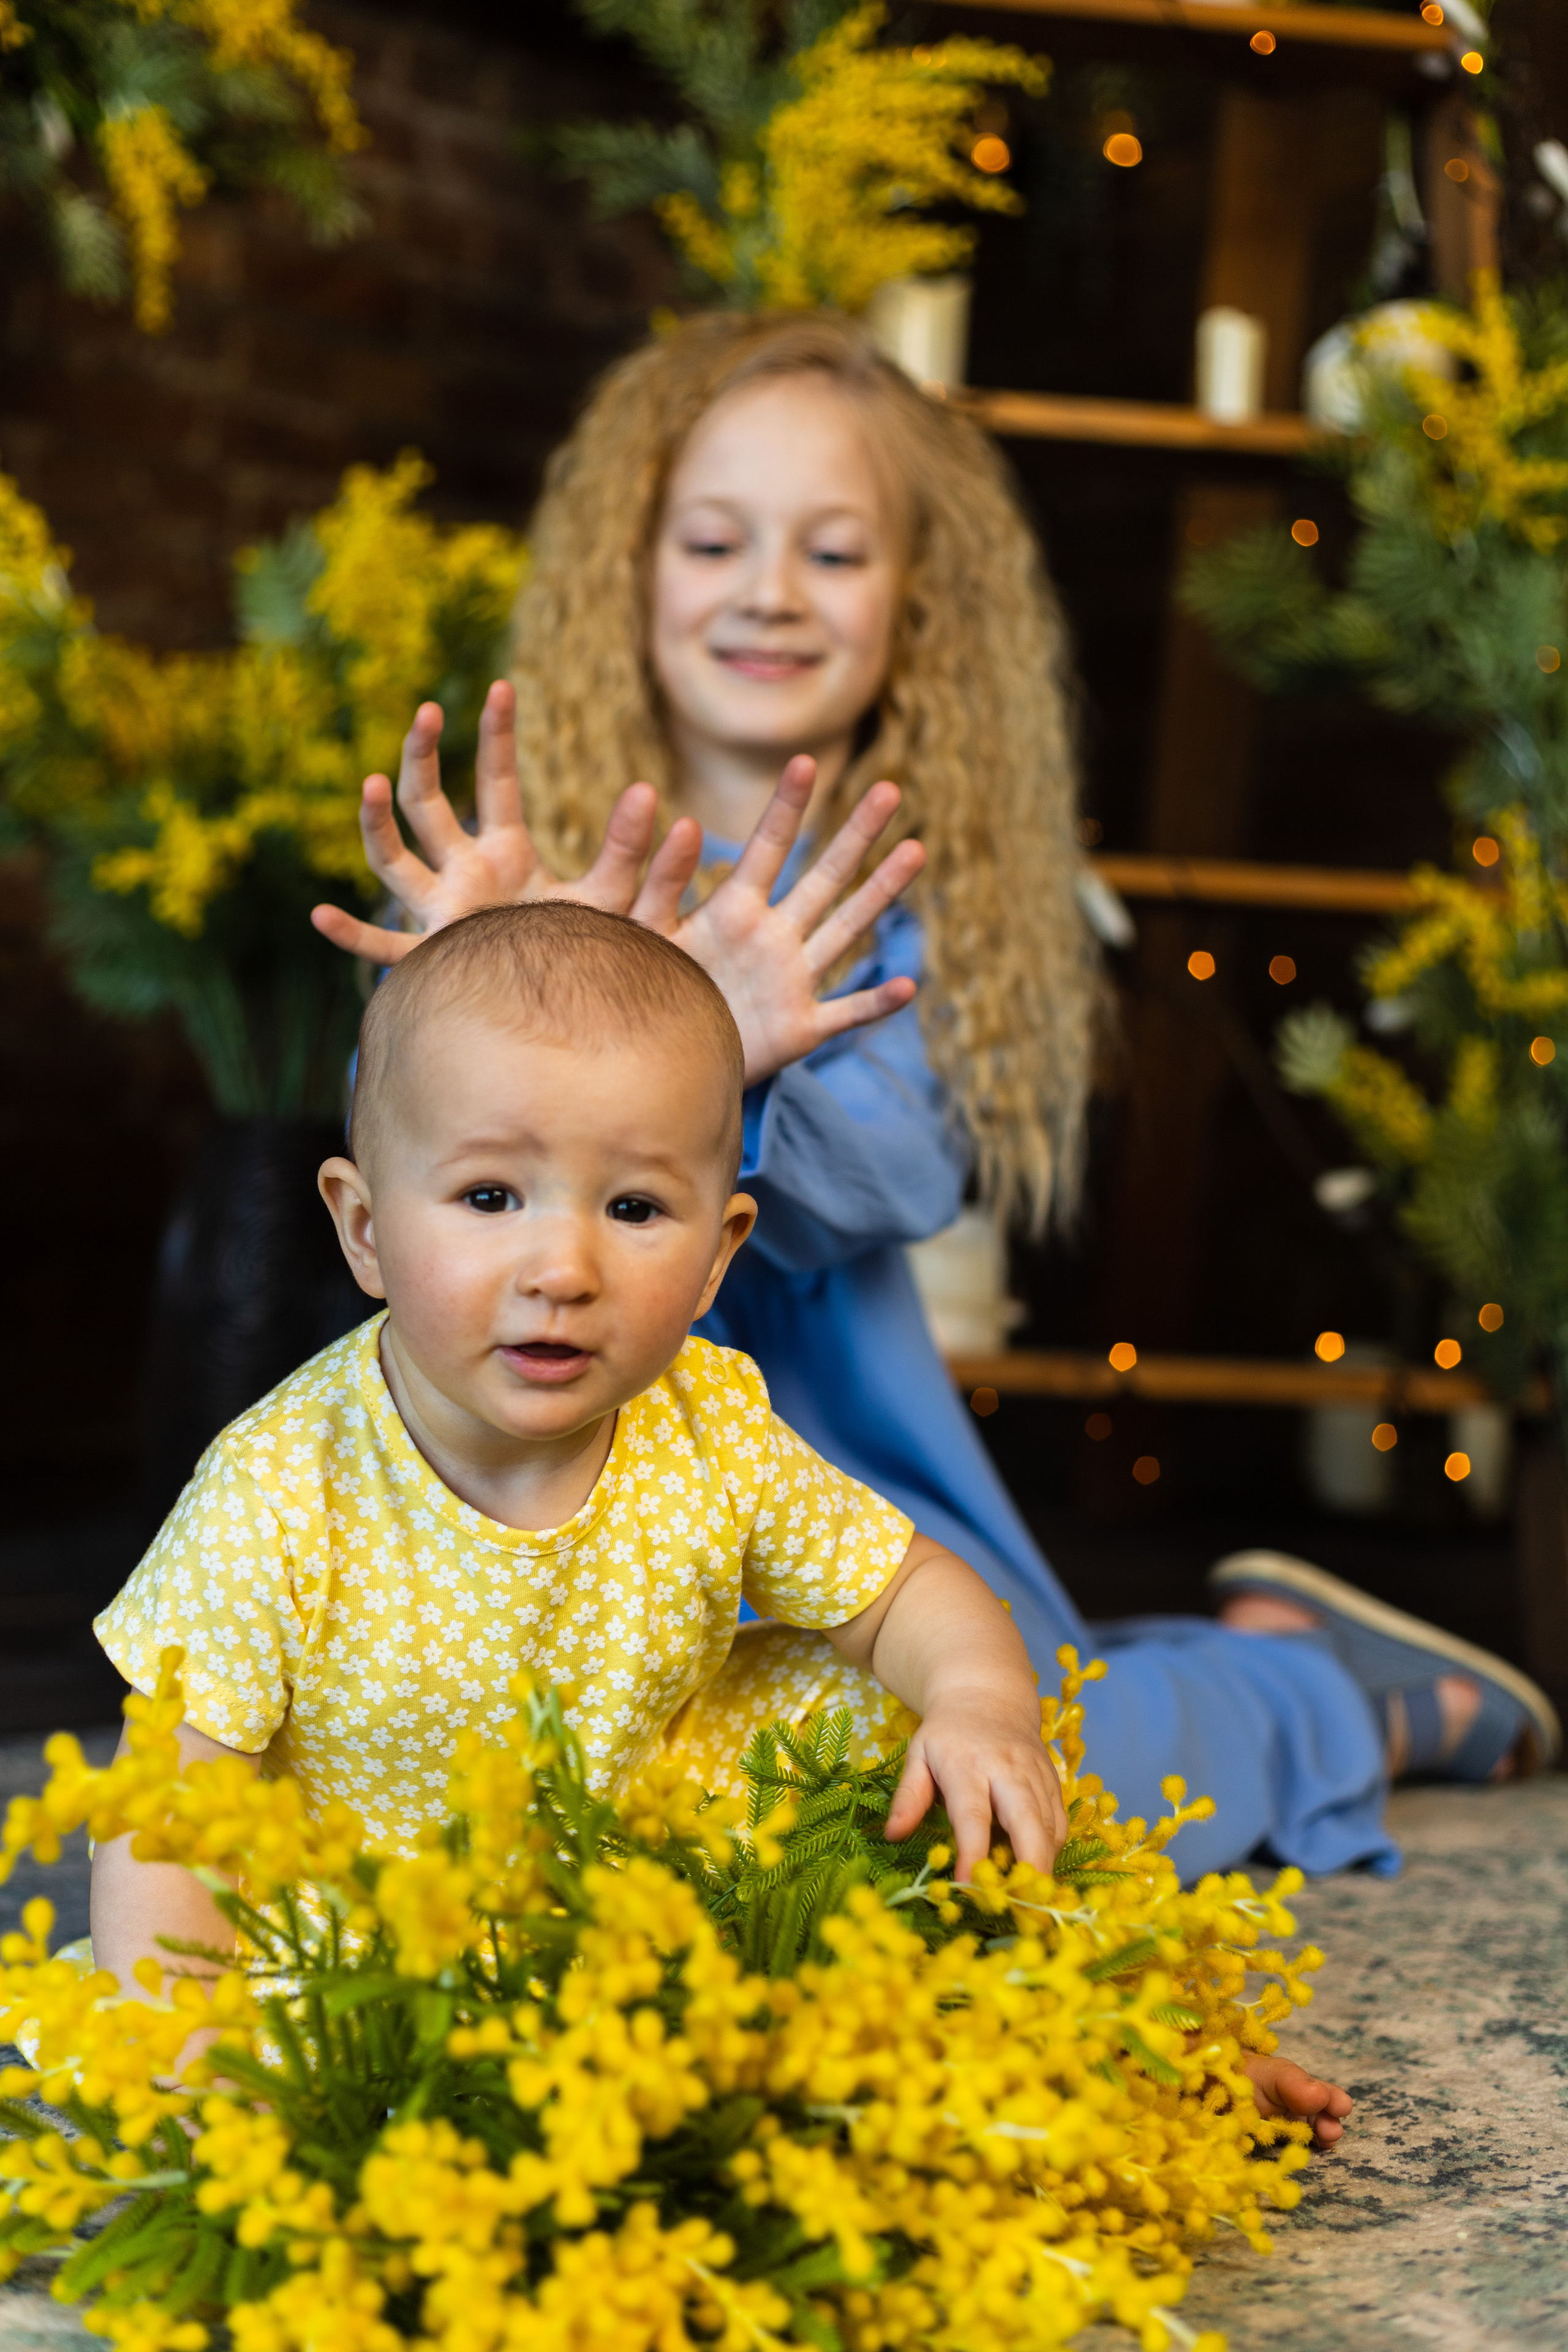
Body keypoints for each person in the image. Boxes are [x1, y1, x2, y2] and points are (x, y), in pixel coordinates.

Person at [312, 309, 1558, 1885]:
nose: (767, 590)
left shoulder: (905, 900)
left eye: (830, 556)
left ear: (915, 611)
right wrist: (452, 976)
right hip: (526, 1481)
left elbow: (892, 1183)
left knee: (988, 1789)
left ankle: (1318, 1695)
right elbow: (407, 1171)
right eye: (714, 542)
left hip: (827, 1497)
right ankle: (1239, 1633)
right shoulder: (524, 869)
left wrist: (738, 1050)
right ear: (633, 577)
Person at [92, 901, 1351, 2144]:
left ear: (714, 1257)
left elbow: (905, 1586)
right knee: (257, 1974)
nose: (562, 1269)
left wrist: (982, 1708)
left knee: (915, 1730)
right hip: (375, 1942)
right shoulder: (280, 1482)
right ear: (365, 1229)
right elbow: (165, 1813)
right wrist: (204, 2084)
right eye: (488, 1198)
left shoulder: (710, 1423)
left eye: (633, 1210)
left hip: (663, 1877)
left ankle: (1109, 2021)